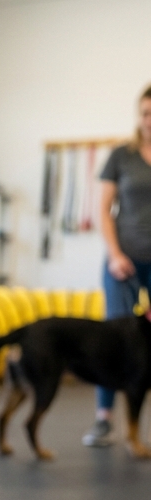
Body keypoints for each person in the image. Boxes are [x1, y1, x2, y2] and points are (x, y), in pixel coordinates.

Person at [84, 84, 151, 447]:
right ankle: (104, 420)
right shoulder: (120, 157)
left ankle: (138, 426)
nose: (149, 120)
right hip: (122, 261)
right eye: (145, 113)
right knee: (114, 341)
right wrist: (115, 254)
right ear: (138, 116)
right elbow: (103, 211)